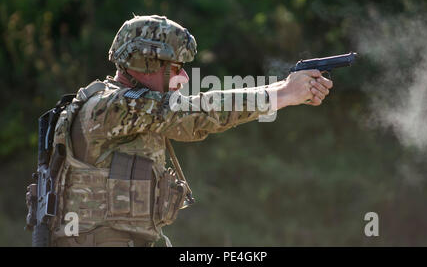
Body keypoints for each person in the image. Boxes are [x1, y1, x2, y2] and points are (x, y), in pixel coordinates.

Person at [38, 15, 333, 247]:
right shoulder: (108, 108)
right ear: (146, 62)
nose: (183, 76)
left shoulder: (132, 111)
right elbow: (198, 114)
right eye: (176, 66)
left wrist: (285, 88)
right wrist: (284, 94)